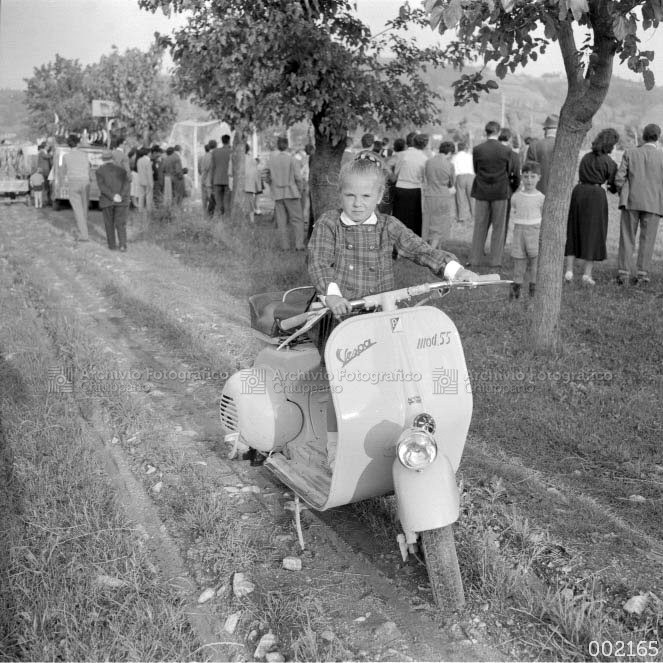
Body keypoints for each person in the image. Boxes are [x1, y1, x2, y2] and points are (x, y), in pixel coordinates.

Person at [307, 153, 479, 350]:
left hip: (380, 312)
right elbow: (318, 261)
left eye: (366, 196)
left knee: (387, 358)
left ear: (379, 196)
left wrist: (456, 271)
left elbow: (420, 249)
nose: (357, 203)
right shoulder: (329, 223)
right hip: (340, 313)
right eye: (350, 196)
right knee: (339, 366)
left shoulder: (387, 225)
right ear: (340, 194)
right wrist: (332, 295)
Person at [564, 128, 620, 285]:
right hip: (596, 195)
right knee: (593, 233)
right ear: (610, 145)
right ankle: (586, 275)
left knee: (573, 229)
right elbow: (613, 186)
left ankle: (569, 270)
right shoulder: (609, 162)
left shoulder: (585, 157)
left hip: (579, 192)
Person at [614, 123, 663, 286]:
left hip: (631, 201)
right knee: (648, 240)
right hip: (654, 203)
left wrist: (624, 192)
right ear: (658, 137)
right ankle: (642, 274)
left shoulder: (630, 153)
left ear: (643, 136)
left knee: (627, 237)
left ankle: (623, 273)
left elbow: (619, 179)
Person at [469, 121, 519, 268]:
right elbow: (510, 171)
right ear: (498, 132)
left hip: (482, 191)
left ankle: (474, 259)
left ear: (486, 132)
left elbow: (476, 169)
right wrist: (511, 188)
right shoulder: (506, 151)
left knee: (480, 226)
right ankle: (495, 261)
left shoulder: (477, 149)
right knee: (499, 227)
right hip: (501, 191)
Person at [509, 162, 545, 299]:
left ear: (539, 177)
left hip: (534, 233)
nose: (529, 180)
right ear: (522, 177)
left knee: (535, 263)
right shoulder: (516, 197)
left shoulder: (541, 198)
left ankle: (533, 293)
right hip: (519, 233)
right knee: (519, 263)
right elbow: (513, 212)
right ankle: (515, 293)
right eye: (526, 176)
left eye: (532, 176)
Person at [267, 136, 305, 250]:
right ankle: (299, 245)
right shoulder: (292, 159)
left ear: (277, 145)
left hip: (278, 194)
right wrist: (300, 190)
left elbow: (265, 173)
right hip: (292, 193)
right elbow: (298, 177)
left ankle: (285, 246)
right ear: (287, 145)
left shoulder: (271, 160)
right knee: (297, 220)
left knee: (281, 221)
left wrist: (271, 184)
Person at [392, 133, 429, 236]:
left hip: (400, 187)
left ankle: (396, 242)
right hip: (415, 189)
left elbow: (395, 174)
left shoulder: (403, 155)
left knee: (399, 218)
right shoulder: (424, 158)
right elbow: (424, 177)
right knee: (414, 220)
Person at [422, 141, 456, 249]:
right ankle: (432, 250)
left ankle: (431, 246)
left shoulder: (428, 162)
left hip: (429, 195)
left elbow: (426, 177)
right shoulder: (449, 165)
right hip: (442, 195)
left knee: (428, 222)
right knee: (440, 224)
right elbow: (451, 183)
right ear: (450, 153)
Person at [96, 150, 130, 252]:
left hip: (107, 200)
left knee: (109, 223)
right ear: (113, 159)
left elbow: (102, 187)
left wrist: (112, 196)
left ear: (102, 160)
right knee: (120, 223)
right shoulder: (122, 170)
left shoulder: (99, 171)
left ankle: (112, 245)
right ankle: (123, 245)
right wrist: (120, 195)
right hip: (121, 201)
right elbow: (126, 185)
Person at [62, 134, 91, 242]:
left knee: (78, 210)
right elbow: (88, 167)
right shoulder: (84, 154)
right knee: (84, 207)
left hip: (73, 182)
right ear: (78, 143)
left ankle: (84, 234)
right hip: (85, 181)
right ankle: (84, 229)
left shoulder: (66, 156)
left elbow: (63, 171)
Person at [527, 115, 558, 195]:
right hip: (557, 194)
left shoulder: (534, 145)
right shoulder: (564, 147)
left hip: (537, 192)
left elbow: (527, 171)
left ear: (546, 129)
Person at [450, 141, 475, 224]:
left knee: (460, 198)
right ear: (465, 148)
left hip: (460, 176)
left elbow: (452, 169)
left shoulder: (455, 157)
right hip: (470, 176)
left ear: (458, 148)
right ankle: (474, 216)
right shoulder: (470, 156)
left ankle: (461, 217)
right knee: (472, 198)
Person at [210, 134, 232, 218]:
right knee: (227, 203)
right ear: (229, 141)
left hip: (217, 180)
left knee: (219, 204)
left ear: (222, 141)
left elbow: (213, 168)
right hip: (228, 181)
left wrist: (212, 182)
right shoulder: (232, 151)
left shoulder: (215, 152)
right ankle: (227, 221)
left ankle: (220, 222)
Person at [244, 144, 263, 223]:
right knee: (250, 206)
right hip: (249, 186)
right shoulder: (252, 160)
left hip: (238, 186)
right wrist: (257, 187)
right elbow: (256, 174)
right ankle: (251, 222)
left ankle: (243, 221)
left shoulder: (235, 159)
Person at [136, 147, 153, 215]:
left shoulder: (139, 160)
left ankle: (140, 210)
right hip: (147, 181)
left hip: (140, 180)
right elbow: (149, 173)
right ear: (148, 153)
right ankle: (149, 210)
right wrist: (151, 183)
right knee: (148, 196)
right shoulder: (148, 161)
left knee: (141, 196)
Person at [37, 142, 52, 206]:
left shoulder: (44, 152)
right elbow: (47, 157)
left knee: (46, 187)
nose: (48, 147)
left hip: (46, 172)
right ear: (45, 146)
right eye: (48, 146)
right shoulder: (42, 152)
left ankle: (47, 201)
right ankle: (43, 202)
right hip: (43, 172)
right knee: (44, 187)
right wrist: (52, 154)